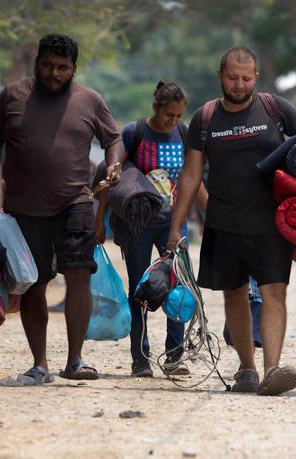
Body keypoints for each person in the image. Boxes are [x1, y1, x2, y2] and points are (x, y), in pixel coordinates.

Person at [167, 46, 296, 395]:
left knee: (275, 292)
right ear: (220, 75)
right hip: (223, 221)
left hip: (272, 223)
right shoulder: (204, 118)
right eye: (233, 77)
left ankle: (272, 370)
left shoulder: (275, 108)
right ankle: (246, 369)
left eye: (246, 78)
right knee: (234, 294)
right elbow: (190, 176)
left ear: (256, 78)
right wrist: (176, 226)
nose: (239, 84)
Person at [0, 33, 124, 384]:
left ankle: (75, 360)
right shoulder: (12, 95)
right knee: (33, 283)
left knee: (78, 276)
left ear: (74, 68)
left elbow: (113, 140)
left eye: (62, 68)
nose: (53, 73)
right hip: (23, 209)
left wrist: (114, 164)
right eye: (47, 66)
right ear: (37, 63)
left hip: (74, 202)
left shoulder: (90, 100)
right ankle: (39, 363)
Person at [95, 81, 208, 377]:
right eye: (169, 115)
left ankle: (174, 355)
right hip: (139, 227)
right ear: (155, 107)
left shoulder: (183, 134)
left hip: (173, 223)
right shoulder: (135, 133)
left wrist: (214, 221)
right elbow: (112, 176)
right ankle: (140, 358)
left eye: (179, 115)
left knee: (179, 288)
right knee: (140, 290)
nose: (173, 121)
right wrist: (99, 221)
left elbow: (193, 181)